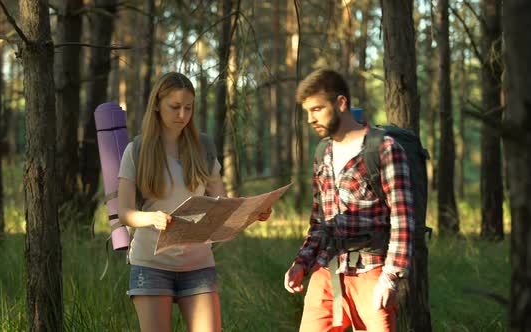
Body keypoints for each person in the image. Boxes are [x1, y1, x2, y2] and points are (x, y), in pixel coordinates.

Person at [118, 72, 271, 332]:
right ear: (157, 104)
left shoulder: (203, 147)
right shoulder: (137, 150)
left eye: (188, 108)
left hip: (198, 263)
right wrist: (151, 218)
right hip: (151, 263)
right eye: (174, 107)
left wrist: (253, 212)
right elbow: (124, 212)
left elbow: (221, 202)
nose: (182, 115)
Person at [284, 68, 414, 332]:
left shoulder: (384, 149)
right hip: (327, 269)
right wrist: (302, 262)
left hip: (372, 271)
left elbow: (403, 221)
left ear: (341, 103)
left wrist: (390, 278)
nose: (310, 119)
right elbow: (321, 222)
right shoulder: (323, 153)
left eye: (317, 109)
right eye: (307, 111)